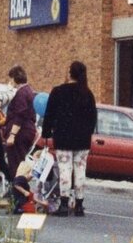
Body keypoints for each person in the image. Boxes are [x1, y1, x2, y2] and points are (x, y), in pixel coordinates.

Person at [41, 60, 98, 217]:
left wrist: (46, 133)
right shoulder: (88, 93)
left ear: (69, 73)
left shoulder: (58, 91)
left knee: (65, 170)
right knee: (80, 170)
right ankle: (79, 204)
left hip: (64, 137)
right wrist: (87, 132)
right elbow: (93, 118)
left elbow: (49, 115)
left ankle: (64, 204)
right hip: (82, 139)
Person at [2, 65, 38, 182]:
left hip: (20, 134)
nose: (10, 81)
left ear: (14, 78)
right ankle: (19, 190)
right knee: (20, 162)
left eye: (11, 78)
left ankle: (17, 192)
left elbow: (20, 115)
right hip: (27, 131)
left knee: (15, 164)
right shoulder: (29, 91)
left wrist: (12, 135)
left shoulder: (21, 93)